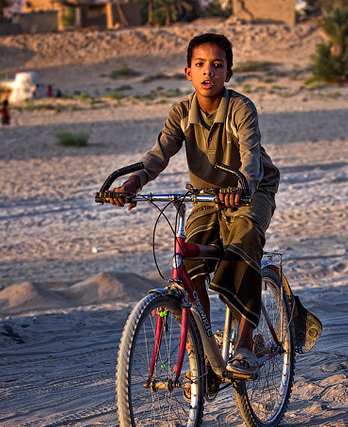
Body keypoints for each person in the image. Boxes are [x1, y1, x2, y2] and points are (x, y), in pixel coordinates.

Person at [105, 32, 281, 378]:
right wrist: (132, 183)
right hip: (204, 197)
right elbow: (159, 155)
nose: (208, 72)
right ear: (188, 72)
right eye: (200, 65)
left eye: (217, 65)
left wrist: (242, 186)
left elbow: (251, 159)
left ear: (228, 73)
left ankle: (245, 343)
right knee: (191, 258)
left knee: (242, 242)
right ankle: (208, 353)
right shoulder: (182, 112)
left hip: (252, 189)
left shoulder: (240, 108)